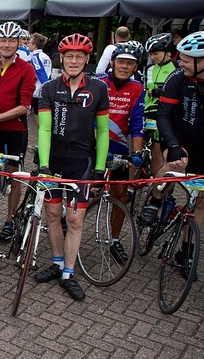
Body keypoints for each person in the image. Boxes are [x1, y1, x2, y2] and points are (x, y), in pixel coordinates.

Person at [36, 33, 109, 301]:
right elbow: (44, 128)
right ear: (62, 59)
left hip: (82, 162)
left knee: (75, 219)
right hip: (54, 160)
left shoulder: (99, 89)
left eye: (80, 56)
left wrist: (100, 166)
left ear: (88, 59)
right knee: (53, 214)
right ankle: (57, 263)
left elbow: (102, 131)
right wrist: (43, 164)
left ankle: (69, 272)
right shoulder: (49, 88)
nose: (74, 61)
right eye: (69, 56)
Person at [141, 31, 204, 246]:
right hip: (180, 135)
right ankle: (155, 200)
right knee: (177, 163)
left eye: (186, 60)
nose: (181, 63)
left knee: (201, 202)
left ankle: (187, 248)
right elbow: (164, 115)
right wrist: (173, 144)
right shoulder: (177, 77)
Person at [0, 22, 36, 242]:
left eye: (12, 41)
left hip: (15, 130)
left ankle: (9, 220)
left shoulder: (26, 69)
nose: (7, 45)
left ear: (19, 43)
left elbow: (25, 106)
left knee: (14, 177)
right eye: (3, 40)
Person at [95, 42, 144, 263]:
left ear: (135, 67)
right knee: (82, 189)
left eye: (130, 63)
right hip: (94, 145)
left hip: (120, 149)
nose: (124, 66)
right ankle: (69, 221)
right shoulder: (99, 83)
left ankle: (114, 240)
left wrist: (136, 152)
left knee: (120, 196)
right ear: (113, 62)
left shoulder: (137, 89)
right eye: (121, 61)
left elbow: (137, 125)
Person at [139, 33, 178, 180]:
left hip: (164, 114)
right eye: (150, 54)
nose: (152, 57)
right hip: (146, 113)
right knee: (136, 147)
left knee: (158, 153)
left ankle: (158, 188)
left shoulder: (176, 66)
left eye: (155, 53)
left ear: (167, 52)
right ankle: (132, 184)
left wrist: (159, 92)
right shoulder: (148, 68)